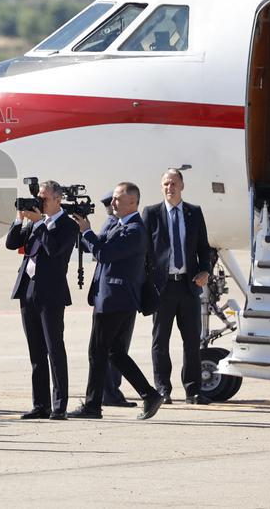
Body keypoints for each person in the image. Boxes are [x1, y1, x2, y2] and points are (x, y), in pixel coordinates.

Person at [68, 183, 164, 421]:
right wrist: (82, 229)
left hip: (116, 299)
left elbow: (104, 253)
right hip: (111, 298)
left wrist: (87, 232)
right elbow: (97, 246)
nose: (113, 203)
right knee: (115, 352)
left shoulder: (134, 230)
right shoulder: (118, 224)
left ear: (133, 202)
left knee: (98, 352)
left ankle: (93, 405)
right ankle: (149, 394)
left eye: (118, 199)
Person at [5, 181, 78, 420]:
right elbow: (11, 244)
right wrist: (20, 218)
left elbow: (55, 251)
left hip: (51, 293)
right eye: (39, 198)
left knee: (55, 350)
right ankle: (40, 404)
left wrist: (38, 223)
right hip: (28, 291)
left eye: (44, 199)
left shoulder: (67, 225)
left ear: (58, 199)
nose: (40, 203)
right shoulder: (35, 223)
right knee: (36, 352)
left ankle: (59, 406)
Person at [144, 169, 213, 405]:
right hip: (162, 288)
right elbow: (144, 250)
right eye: (165, 184)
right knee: (160, 341)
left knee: (192, 341)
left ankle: (193, 390)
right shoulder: (152, 213)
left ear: (182, 185)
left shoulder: (194, 213)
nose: (169, 188)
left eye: (173, 183)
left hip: (188, 285)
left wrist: (206, 270)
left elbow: (204, 248)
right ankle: (163, 389)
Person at [95, 192, 136, 409]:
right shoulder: (113, 224)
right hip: (113, 295)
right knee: (111, 349)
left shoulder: (125, 225)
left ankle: (110, 391)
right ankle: (108, 392)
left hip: (119, 294)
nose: (112, 207)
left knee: (114, 349)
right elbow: (101, 252)